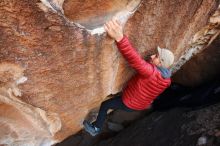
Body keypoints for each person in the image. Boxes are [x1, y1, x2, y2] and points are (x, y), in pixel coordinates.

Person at [83, 19, 175, 136]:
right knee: (115, 101)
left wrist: (120, 38)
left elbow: (134, 59)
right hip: (139, 104)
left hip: (129, 102)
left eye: (156, 56)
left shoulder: (151, 72)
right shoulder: (166, 79)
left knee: (105, 105)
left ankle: (96, 128)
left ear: (160, 63)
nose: (152, 56)